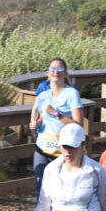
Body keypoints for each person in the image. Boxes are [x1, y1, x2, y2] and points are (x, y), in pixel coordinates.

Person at [28, 61, 83, 194]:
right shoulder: (43, 96)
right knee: (42, 191)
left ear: (65, 73)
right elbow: (41, 119)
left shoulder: (72, 94)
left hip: (64, 152)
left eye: (60, 69)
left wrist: (55, 113)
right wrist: (34, 125)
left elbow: (79, 124)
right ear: (48, 73)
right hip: (42, 149)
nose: (56, 71)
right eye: (52, 69)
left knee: (61, 192)